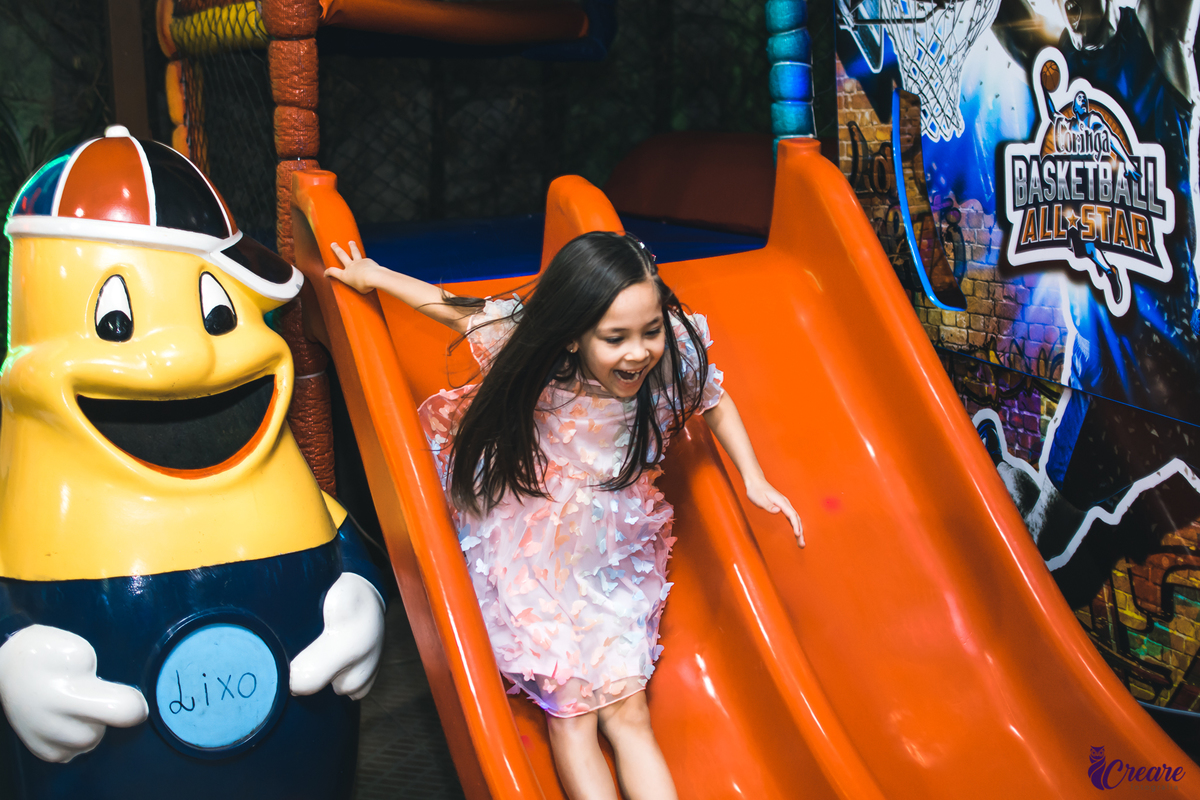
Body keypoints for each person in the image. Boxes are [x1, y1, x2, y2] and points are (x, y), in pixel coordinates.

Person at [326, 231, 802, 800]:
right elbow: (455, 310)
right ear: (575, 336)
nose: (638, 352)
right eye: (615, 338)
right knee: (572, 717)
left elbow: (713, 399)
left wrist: (754, 476)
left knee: (629, 716)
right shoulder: (539, 355)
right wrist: (375, 276)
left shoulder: (671, 355)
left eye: (650, 331)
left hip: (610, 559)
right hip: (533, 558)